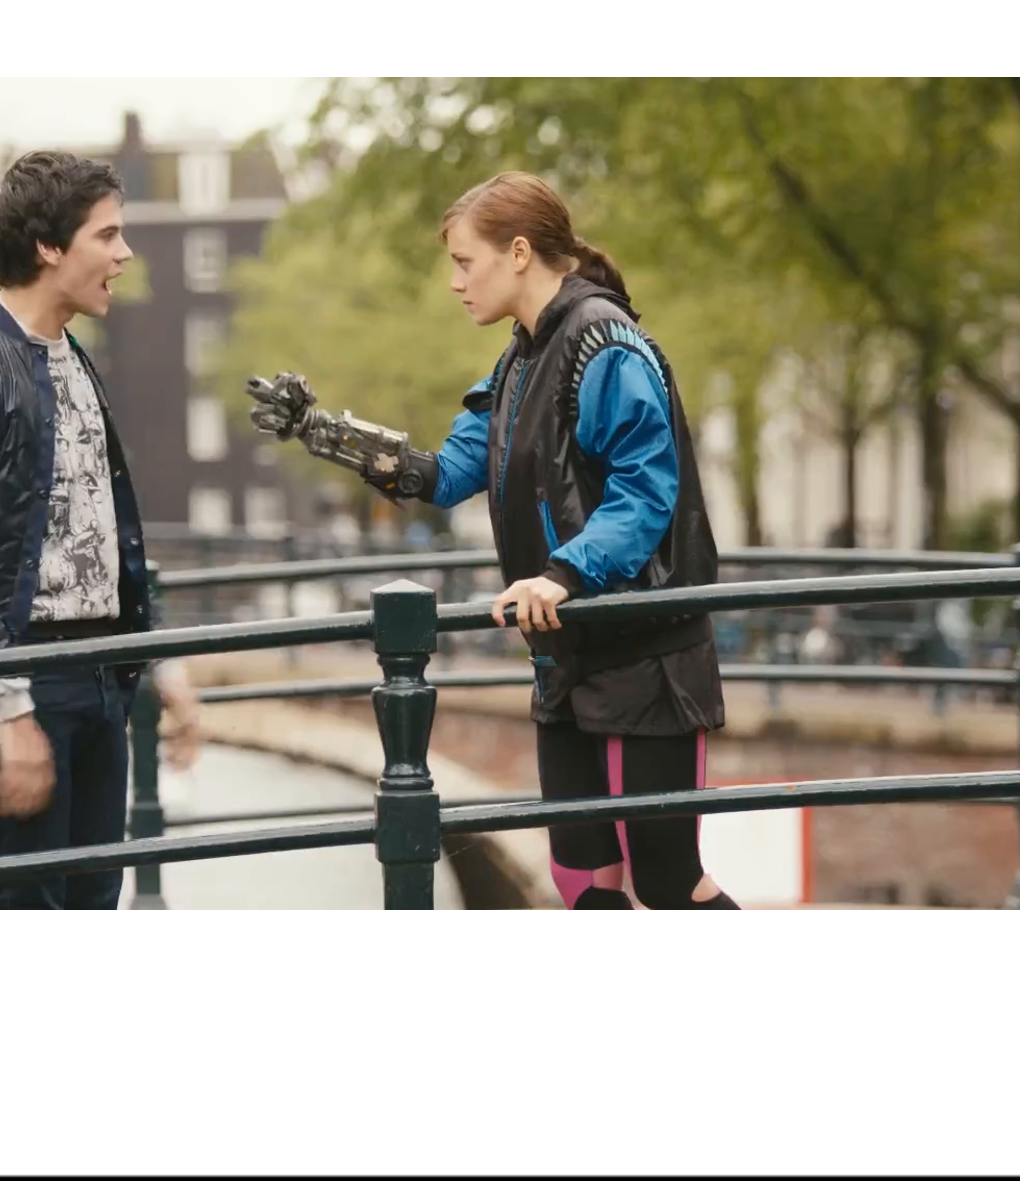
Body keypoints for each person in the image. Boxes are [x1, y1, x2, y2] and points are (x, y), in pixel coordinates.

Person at [246, 170, 738, 909]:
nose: (455, 282)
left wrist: (562, 574)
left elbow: (645, 492)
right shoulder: (520, 358)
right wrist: (324, 433)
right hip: (566, 651)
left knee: (668, 881)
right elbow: (445, 474)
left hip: (646, 652)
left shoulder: (605, 344)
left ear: (517, 253)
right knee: (583, 882)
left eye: (463, 261)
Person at [0, 150, 199, 910]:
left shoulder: (73, 357)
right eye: (108, 235)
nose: (125, 254)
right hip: (24, 679)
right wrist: (10, 707)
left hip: (101, 674)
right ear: (48, 247)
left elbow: (105, 527)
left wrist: (159, 664)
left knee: (97, 896)